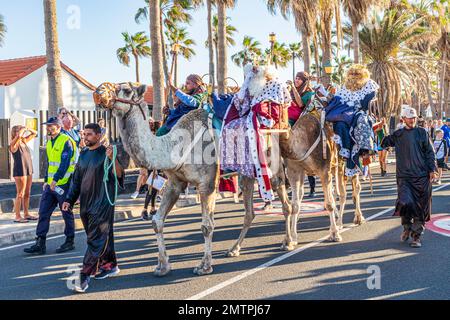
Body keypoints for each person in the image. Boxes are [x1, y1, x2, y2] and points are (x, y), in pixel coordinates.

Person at [63, 123, 124, 293]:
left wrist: (113, 159)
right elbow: (76, 180)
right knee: (100, 235)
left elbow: (119, 174)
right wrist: (69, 199)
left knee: (95, 239)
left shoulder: (107, 153)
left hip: (103, 203)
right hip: (86, 204)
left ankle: (84, 276)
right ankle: (110, 265)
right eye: (84, 134)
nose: (85, 137)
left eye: (89, 134)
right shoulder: (83, 155)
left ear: (98, 135)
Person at [381, 107, 437, 248]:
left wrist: (432, 170)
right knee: (405, 203)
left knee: (420, 207)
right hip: (404, 177)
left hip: (422, 177)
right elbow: (384, 142)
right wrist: (380, 129)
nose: (412, 120)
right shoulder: (398, 134)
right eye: (409, 118)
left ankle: (416, 236)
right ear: (403, 119)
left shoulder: (422, 132)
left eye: (414, 118)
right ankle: (407, 227)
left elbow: (430, 152)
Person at [24, 117, 76, 255]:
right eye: (47, 126)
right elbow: (50, 163)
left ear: (59, 127)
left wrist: (55, 180)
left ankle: (69, 241)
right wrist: (47, 180)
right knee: (43, 212)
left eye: (51, 126)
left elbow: (65, 163)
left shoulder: (66, 141)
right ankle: (40, 243)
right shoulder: (49, 142)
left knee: (66, 212)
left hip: (63, 184)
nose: (48, 128)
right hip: (51, 185)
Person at [9, 125, 38, 223]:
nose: (21, 133)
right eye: (18, 131)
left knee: (27, 193)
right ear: (15, 133)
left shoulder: (24, 141)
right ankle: (17, 216)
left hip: (28, 169)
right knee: (20, 194)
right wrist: (20, 132)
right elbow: (17, 137)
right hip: (20, 171)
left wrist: (27, 128)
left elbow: (35, 133)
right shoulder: (13, 144)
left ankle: (26, 213)